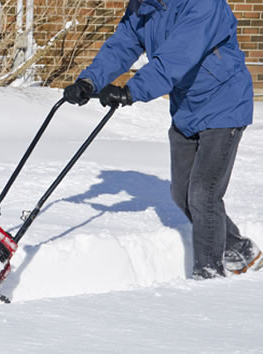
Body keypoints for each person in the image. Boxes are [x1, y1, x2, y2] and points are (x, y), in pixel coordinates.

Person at [62, 0, 258, 279]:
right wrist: (89, 81)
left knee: (203, 194)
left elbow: (177, 57)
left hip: (224, 105)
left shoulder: (203, 4)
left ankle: (208, 278)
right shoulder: (143, 7)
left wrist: (132, 91)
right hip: (186, 110)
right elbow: (122, 46)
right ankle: (240, 249)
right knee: (182, 195)